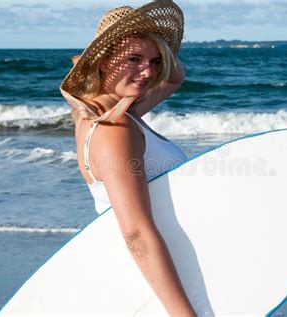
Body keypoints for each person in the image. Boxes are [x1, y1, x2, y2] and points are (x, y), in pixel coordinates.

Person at [60, 1, 196, 315]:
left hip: (156, 277)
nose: (148, 71)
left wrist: (156, 44)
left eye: (154, 60)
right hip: (153, 288)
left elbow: (175, 78)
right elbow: (135, 233)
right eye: (134, 58)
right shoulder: (114, 128)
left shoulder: (118, 111)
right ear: (103, 60)